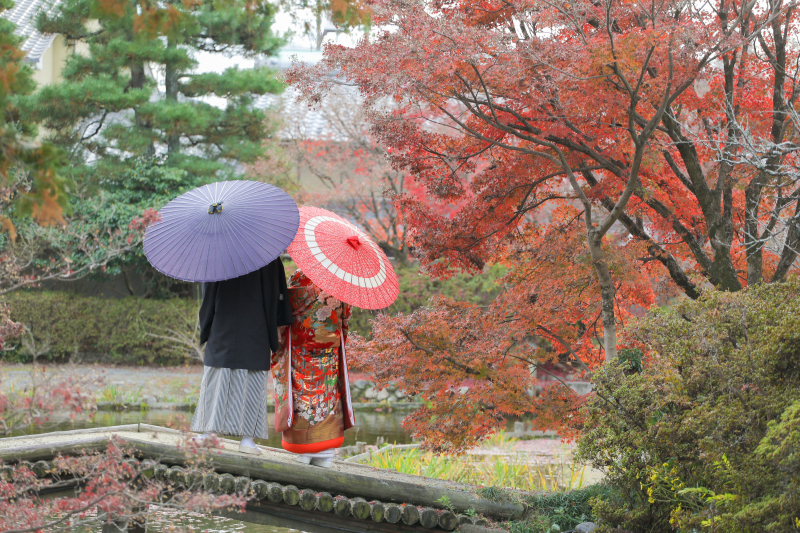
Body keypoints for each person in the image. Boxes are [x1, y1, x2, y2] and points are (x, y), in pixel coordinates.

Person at [190, 258, 292, 454]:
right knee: (252, 381)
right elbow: (275, 294)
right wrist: (276, 327)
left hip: (223, 324)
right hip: (257, 327)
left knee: (217, 380)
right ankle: (248, 441)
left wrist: (207, 325)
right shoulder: (268, 255)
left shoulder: (219, 252)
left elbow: (209, 295)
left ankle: (208, 434)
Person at [271, 269, 356, 468]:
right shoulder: (343, 280)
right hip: (328, 352)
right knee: (328, 393)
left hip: (302, 349)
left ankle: (304, 448)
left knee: (302, 393)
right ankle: (325, 452)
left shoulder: (300, 276)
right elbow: (345, 321)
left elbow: (286, 310)